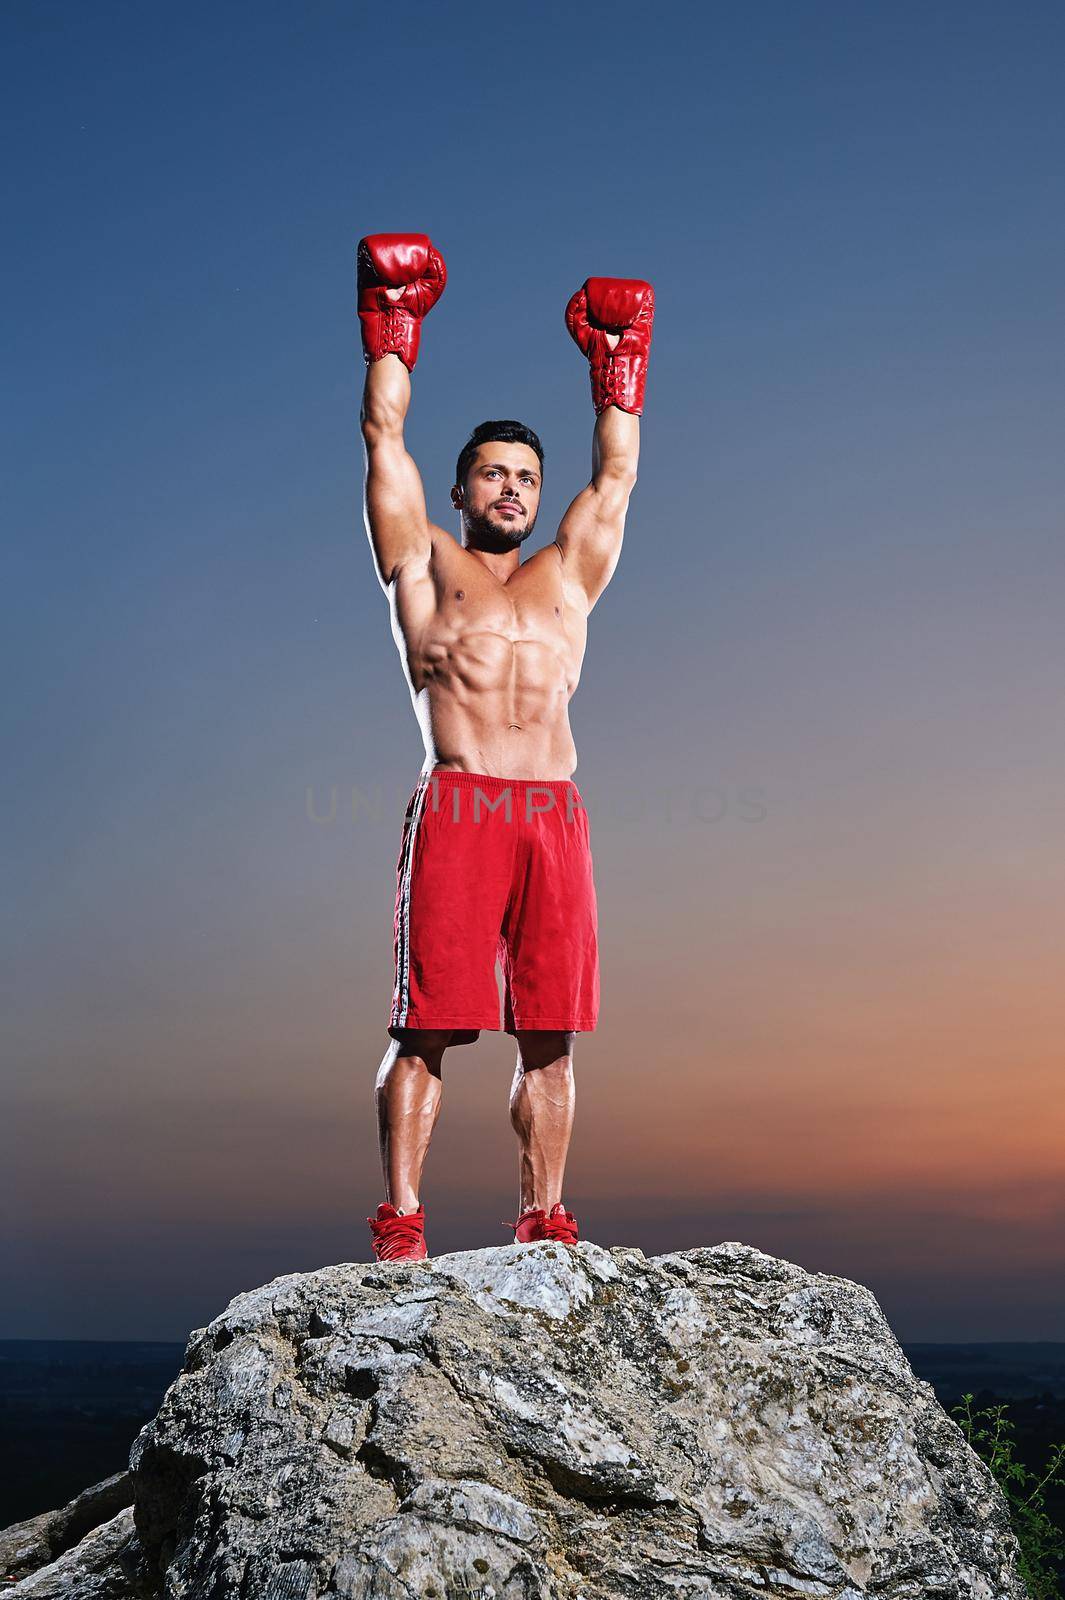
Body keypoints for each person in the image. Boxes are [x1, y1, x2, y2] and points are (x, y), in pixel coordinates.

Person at [357, 233, 654, 1262]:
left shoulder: (568, 573)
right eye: (493, 474)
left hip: (551, 817)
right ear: (461, 490)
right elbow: (381, 438)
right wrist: (394, 322)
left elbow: (614, 477)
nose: (515, 489)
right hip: (463, 804)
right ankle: (401, 1221)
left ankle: (545, 1215)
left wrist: (618, 365)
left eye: (527, 475)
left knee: (550, 1035)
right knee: (426, 1027)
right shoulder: (424, 562)